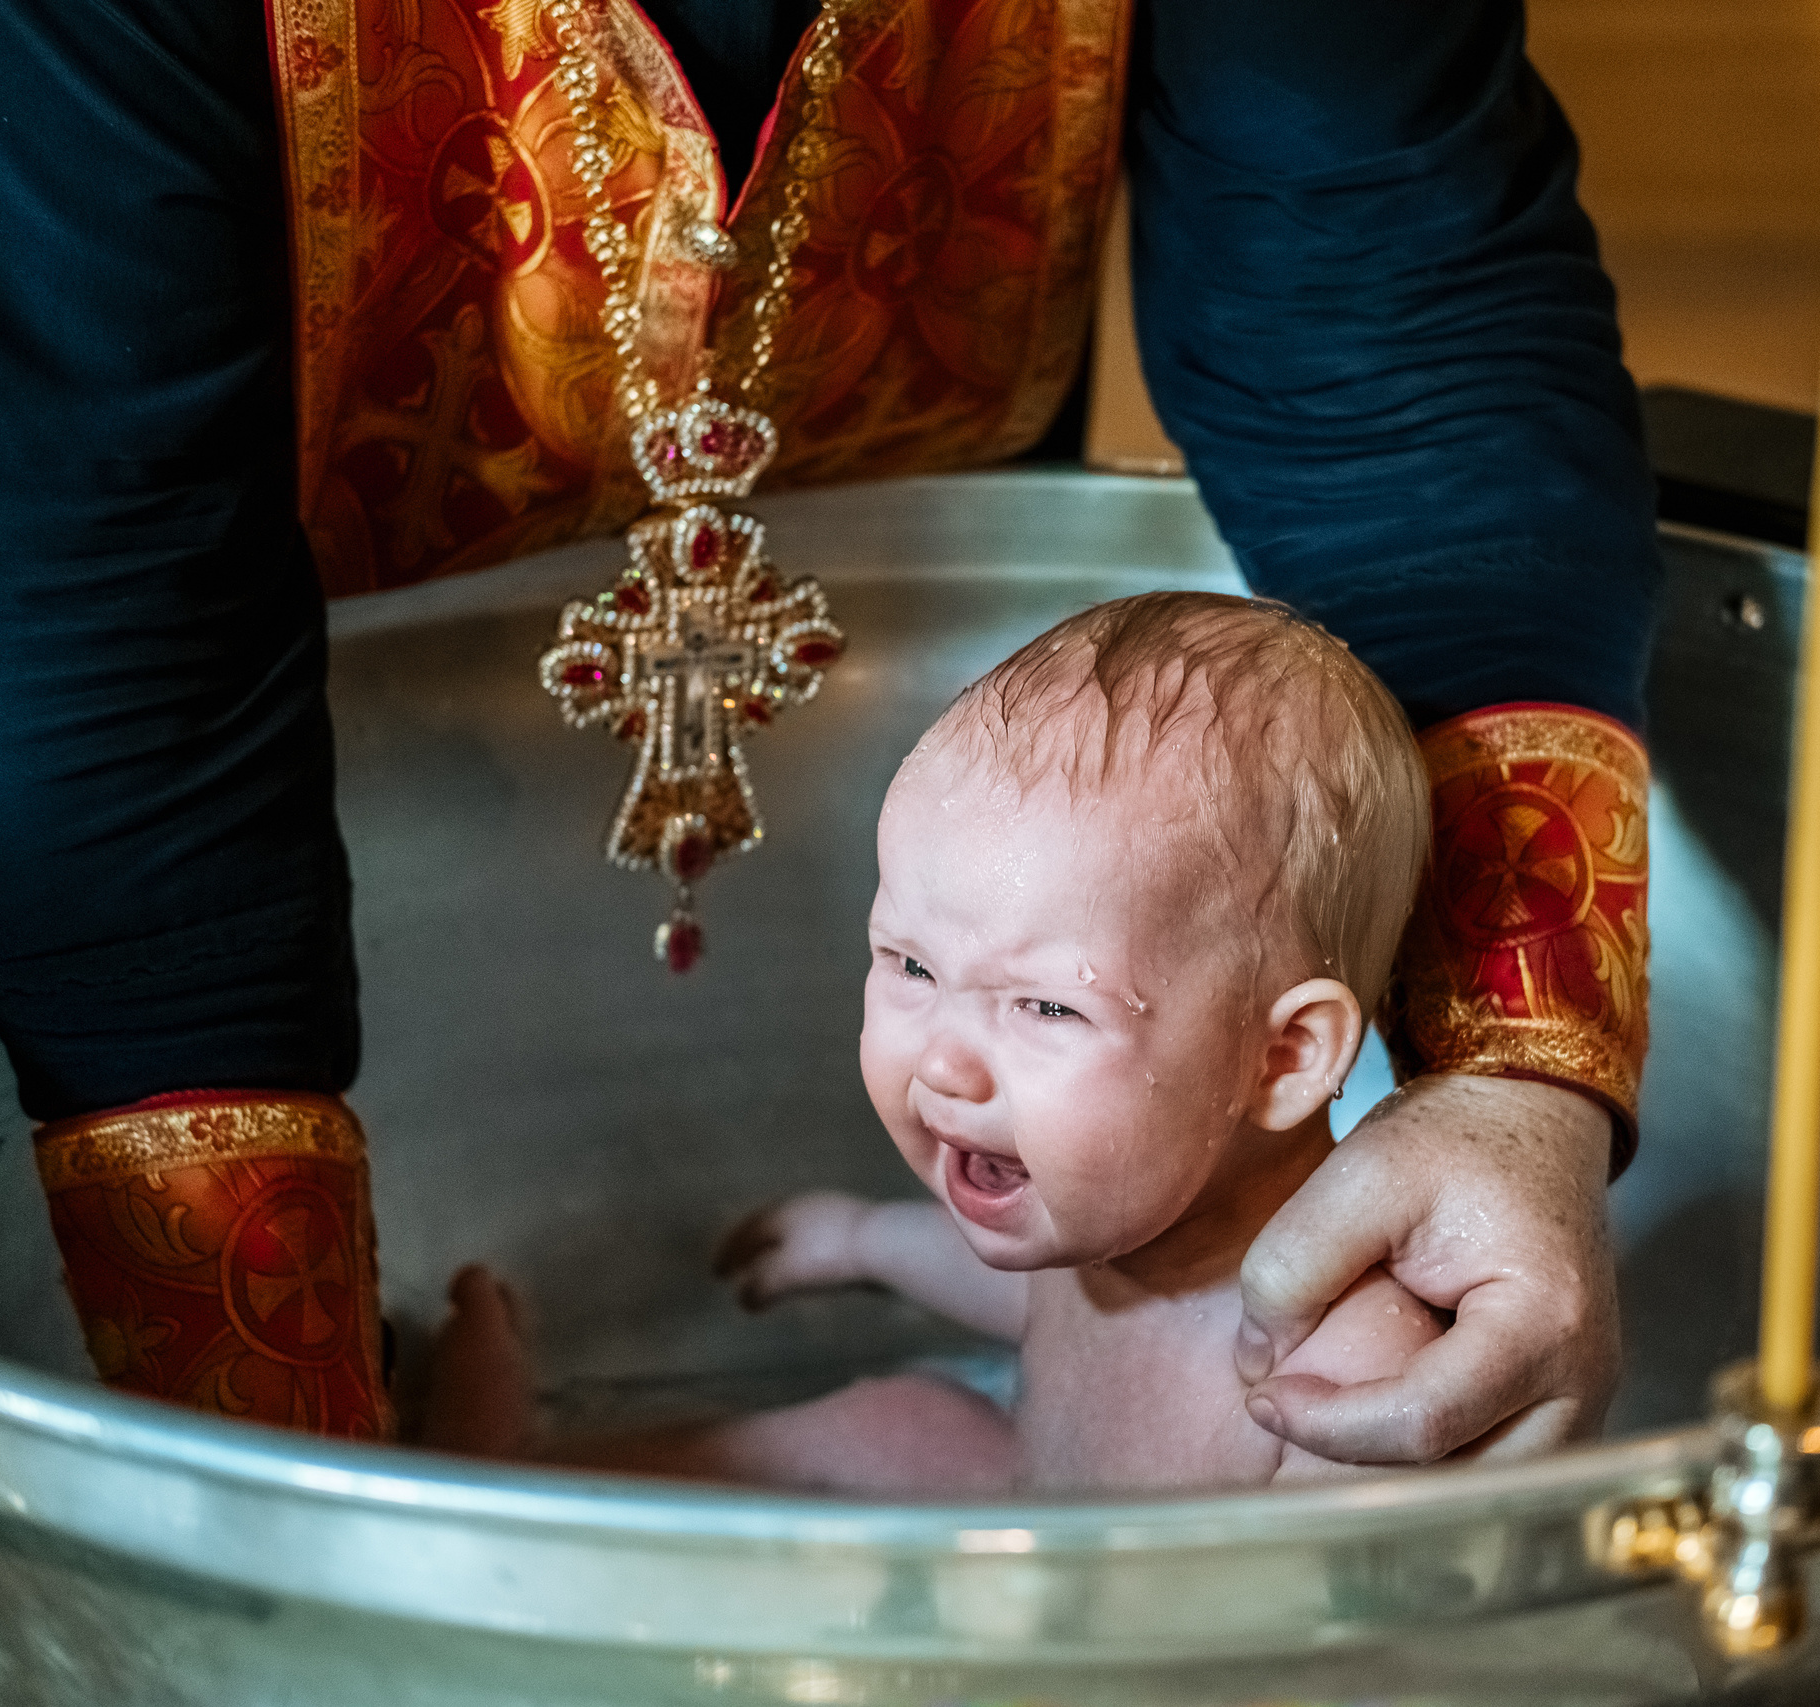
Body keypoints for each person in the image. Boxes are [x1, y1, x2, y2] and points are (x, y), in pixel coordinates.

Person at [0, 0, 1659, 1463]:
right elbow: (110, 635)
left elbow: (1397, 330)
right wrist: (293, 1502)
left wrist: (1516, 1072)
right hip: (53, 626)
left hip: (943, 645)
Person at [428, 594, 1452, 1492]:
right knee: (903, 1426)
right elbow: (1033, 1302)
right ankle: (516, 1487)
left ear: (1283, 1057)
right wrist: (861, 1242)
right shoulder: (1109, 1204)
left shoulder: (1348, 1368)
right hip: (1034, 1526)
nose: (942, 1065)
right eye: (911, 969)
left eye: (1047, 1008)